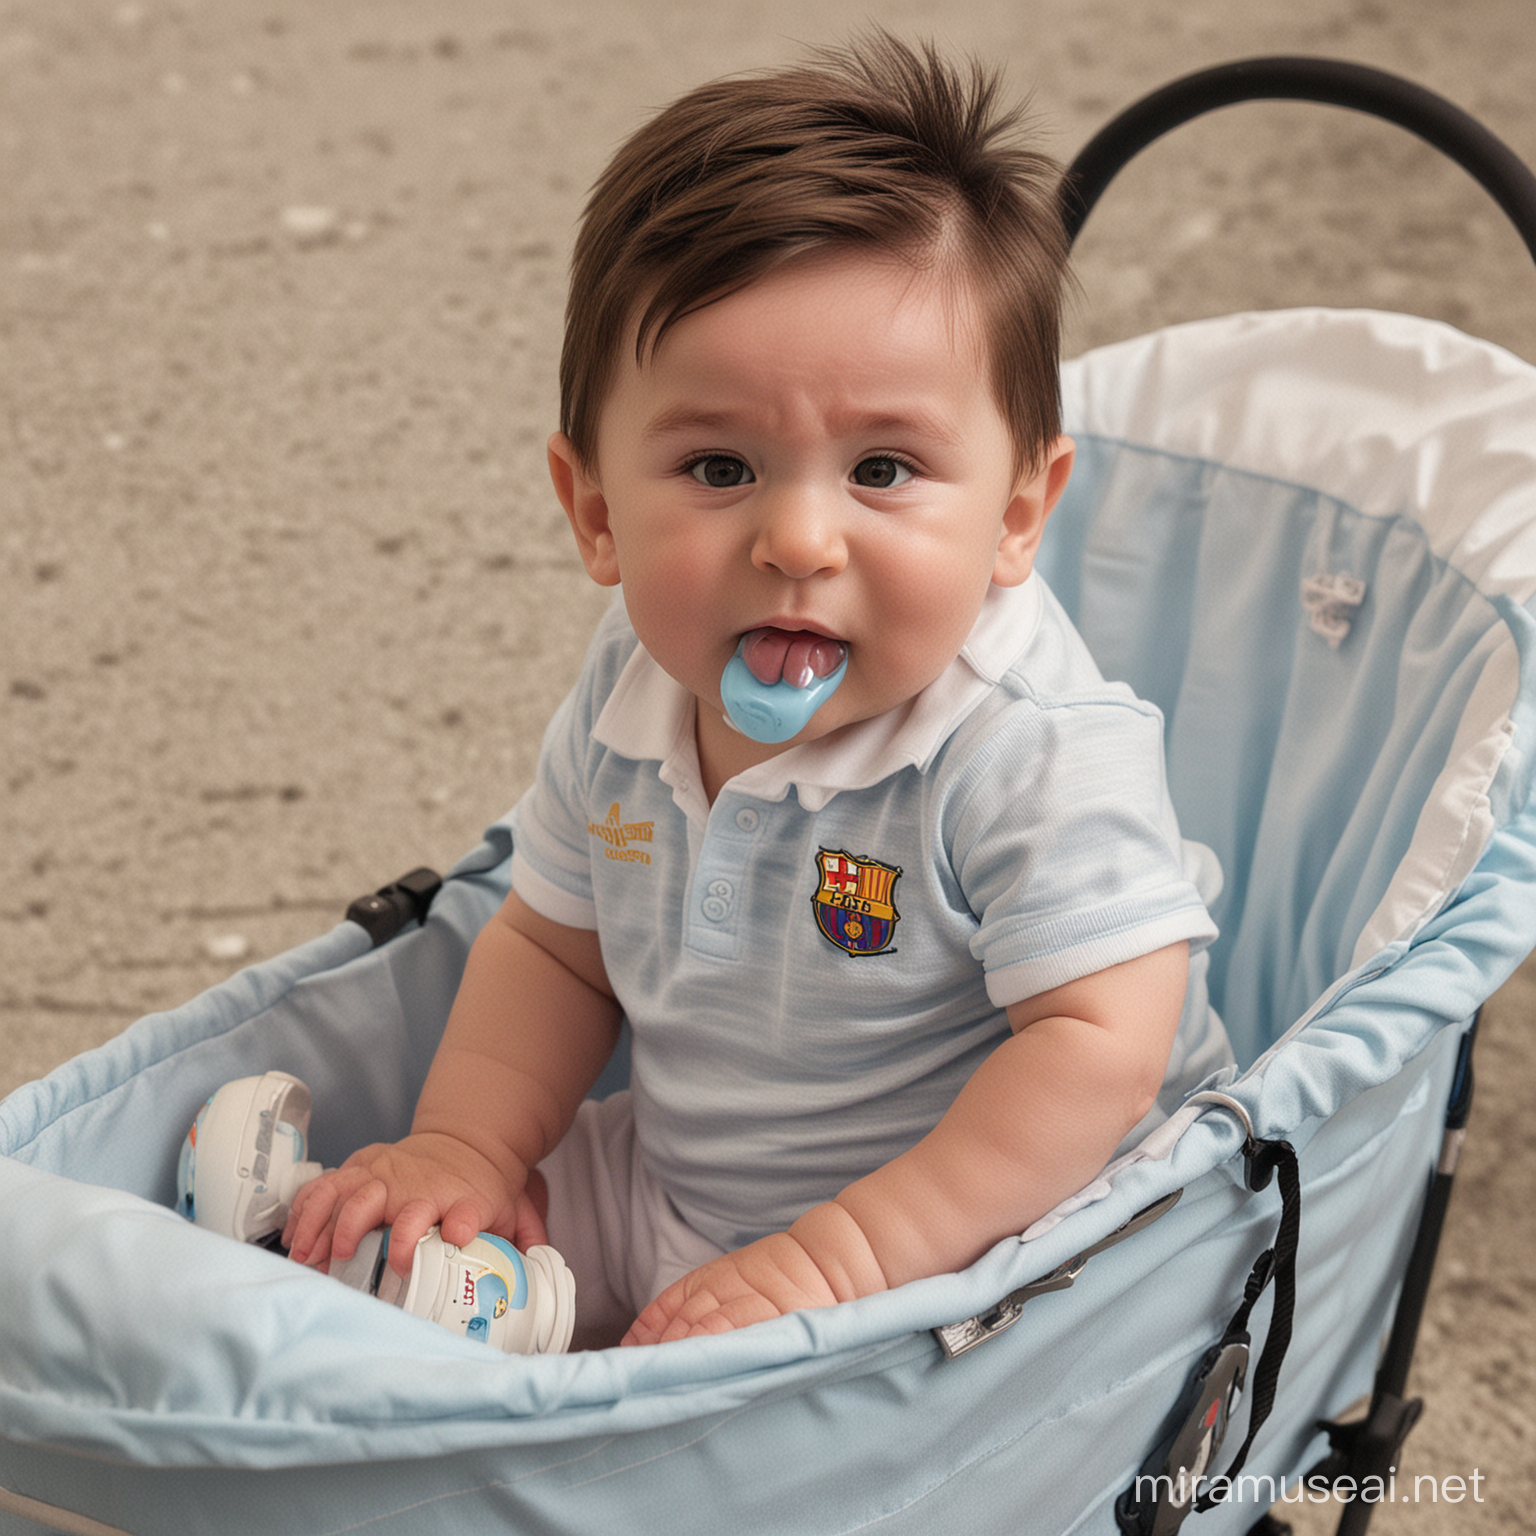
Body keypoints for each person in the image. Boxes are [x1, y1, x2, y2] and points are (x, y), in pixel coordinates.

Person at [284, 32, 1230, 1350]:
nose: (798, 539)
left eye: (884, 471)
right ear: (596, 510)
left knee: (973, 1351)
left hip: (968, 1225)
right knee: (403, 1260)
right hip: (678, 1182)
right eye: (720, 468)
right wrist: (464, 1144)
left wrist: (839, 1258)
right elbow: (554, 945)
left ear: (1018, 516)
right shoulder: (634, 680)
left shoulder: (1025, 748)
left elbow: (1103, 1051)